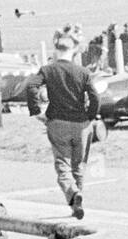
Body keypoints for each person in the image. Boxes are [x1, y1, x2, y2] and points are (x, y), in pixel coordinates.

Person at [26, 35, 99, 220]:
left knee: (63, 166)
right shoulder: (83, 72)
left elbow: (32, 86)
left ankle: (73, 194)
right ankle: (77, 204)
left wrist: (36, 111)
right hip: (81, 124)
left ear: (56, 50)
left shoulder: (48, 69)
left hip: (57, 123)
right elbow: (95, 97)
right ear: (73, 50)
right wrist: (89, 116)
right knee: (78, 166)